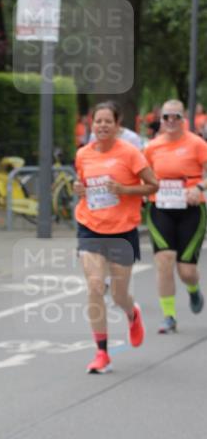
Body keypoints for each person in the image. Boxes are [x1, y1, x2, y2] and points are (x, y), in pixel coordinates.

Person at [74, 101, 158, 374]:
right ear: (91, 123)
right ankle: (102, 354)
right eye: (97, 121)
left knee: (120, 294)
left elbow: (153, 185)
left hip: (122, 231)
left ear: (117, 124)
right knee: (96, 286)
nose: (102, 126)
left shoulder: (131, 154)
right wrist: (79, 188)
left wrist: (124, 189)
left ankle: (132, 314)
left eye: (107, 121)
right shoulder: (83, 154)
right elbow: (83, 183)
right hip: (90, 226)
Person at [143, 99, 207, 333]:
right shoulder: (152, 147)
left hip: (191, 209)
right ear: (160, 120)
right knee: (164, 260)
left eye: (176, 117)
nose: (171, 121)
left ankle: (193, 289)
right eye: (166, 117)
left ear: (183, 119)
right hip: (160, 208)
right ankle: (169, 316)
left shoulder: (197, 144)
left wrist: (199, 188)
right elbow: (142, 175)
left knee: (186, 271)